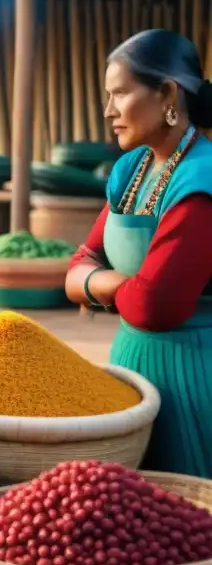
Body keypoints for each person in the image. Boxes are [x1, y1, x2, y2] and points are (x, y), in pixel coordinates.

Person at [66, 28, 212, 479]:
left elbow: (157, 306)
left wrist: (96, 286)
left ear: (167, 93)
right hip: (129, 366)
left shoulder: (201, 178)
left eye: (120, 94)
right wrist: (117, 285)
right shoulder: (131, 170)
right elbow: (76, 267)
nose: (109, 110)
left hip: (192, 374)